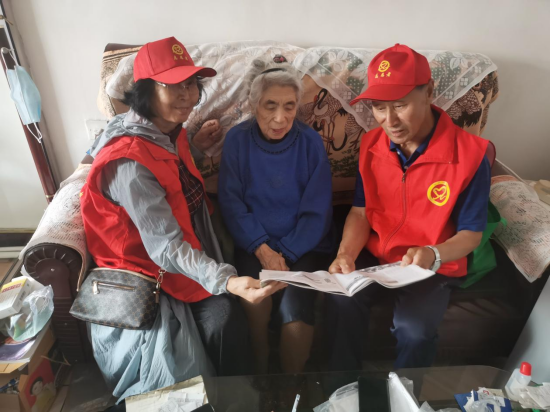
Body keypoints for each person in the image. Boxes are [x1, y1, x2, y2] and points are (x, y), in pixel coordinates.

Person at [81, 37, 286, 401]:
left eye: (191, 84)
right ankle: (239, 400)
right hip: (148, 270)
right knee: (224, 318)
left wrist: (194, 147)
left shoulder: (166, 130)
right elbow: (166, 248)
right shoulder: (129, 164)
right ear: (145, 90)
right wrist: (227, 281)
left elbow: (169, 172)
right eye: (172, 85)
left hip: (187, 246)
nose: (186, 96)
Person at [326, 44, 492, 371]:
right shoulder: (371, 145)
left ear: (428, 92)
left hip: (432, 263)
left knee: (413, 330)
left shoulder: (470, 155)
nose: (389, 121)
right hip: (375, 253)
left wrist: (433, 253)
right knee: (339, 296)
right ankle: (340, 389)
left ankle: (405, 392)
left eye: (400, 105)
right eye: (379, 108)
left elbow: (471, 234)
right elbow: (360, 212)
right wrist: (345, 254)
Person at [218, 58, 334, 374]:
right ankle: (261, 369)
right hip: (254, 244)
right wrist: (263, 250)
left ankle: (290, 387)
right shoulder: (237, 140)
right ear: (253, 104)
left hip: (304, 247)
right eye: (270, 106)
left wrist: (287, 254)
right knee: (256, 298)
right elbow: (231, 203)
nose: (280, 118)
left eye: (289, 106)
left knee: (296, 313)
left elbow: (318, 209)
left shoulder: (310, 142)